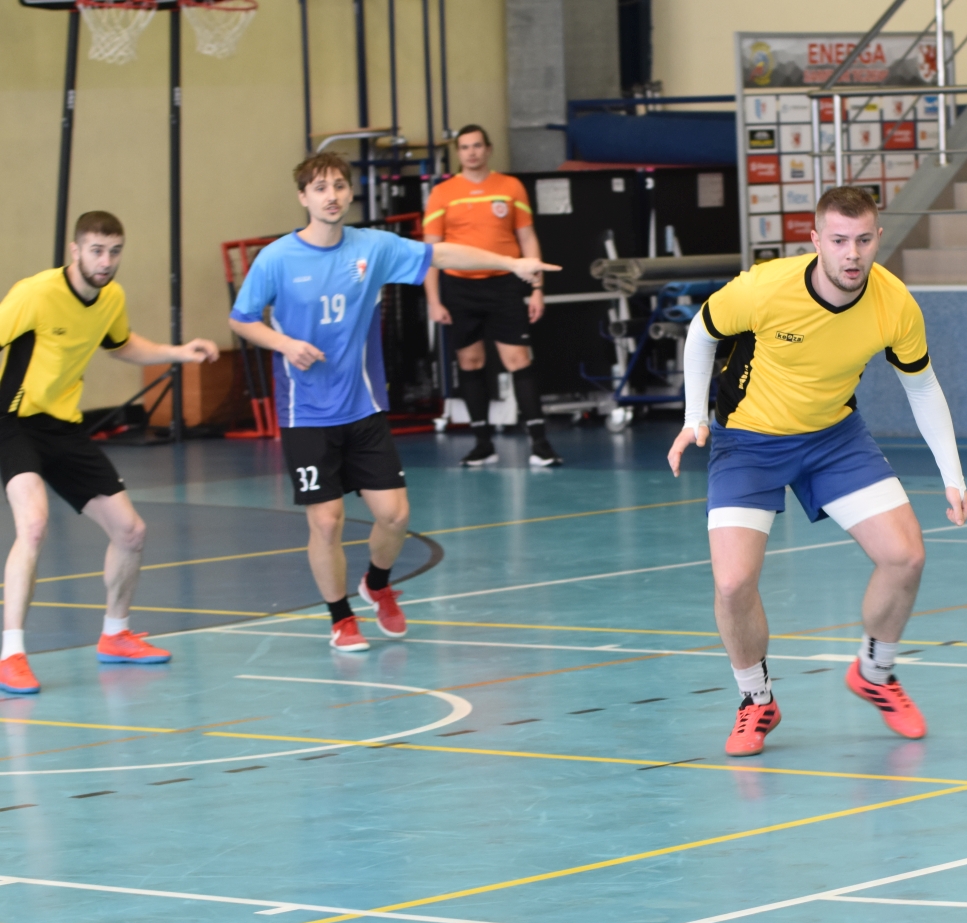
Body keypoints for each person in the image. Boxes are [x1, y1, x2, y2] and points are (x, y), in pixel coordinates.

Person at [668, 186, 967, 757]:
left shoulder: (894, 303)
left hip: (834, 437)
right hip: (749, 441)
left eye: (862, 240)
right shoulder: (764, 287)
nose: (851, 254)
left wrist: (952, 476)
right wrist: (693, 418)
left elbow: (922, 386)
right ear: (815, 241)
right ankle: (756, 699)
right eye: (838, 240)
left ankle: (874, 673)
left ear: (877, 238)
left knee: (905, 556)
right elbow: (702, 333)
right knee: (732, 583)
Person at [229, 152, 559, 652]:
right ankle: (341, 619)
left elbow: (442, 254)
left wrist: (511, 263)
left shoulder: (374, 247)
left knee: (395, 516)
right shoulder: (276, 258)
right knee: (326, 521)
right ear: (303, 197)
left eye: (339, 186)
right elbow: (242, 318)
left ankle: (377, 585)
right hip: (306, 413)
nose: (332, 196)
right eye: (320, 188)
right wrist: (285, 344)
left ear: (349, 193)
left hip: (363, 407)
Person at [0, 211, 220, 694]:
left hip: (63, 426)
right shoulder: (34, 294)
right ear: (75, 251)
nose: (105, 261)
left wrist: (178, 352)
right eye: (96, 250)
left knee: (131, 531)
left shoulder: (110, 297)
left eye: (114, 251)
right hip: (12, 422)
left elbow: (120, 345)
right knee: (32, 524)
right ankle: (10, 654)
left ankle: (116, 634)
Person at [422, 125, 560, 468]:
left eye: (477, 146)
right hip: (459, 288)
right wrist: (434, 300)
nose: (471, 152)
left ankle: (540, 444)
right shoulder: (442, 193)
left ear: (488, 149)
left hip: (504, 285)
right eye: (464, 147)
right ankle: (483, 444)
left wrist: (537, 288)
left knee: (518, 359)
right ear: (458, 153)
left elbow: (527, 238)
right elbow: (430, 252)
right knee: (470, 362)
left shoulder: (510, 187)